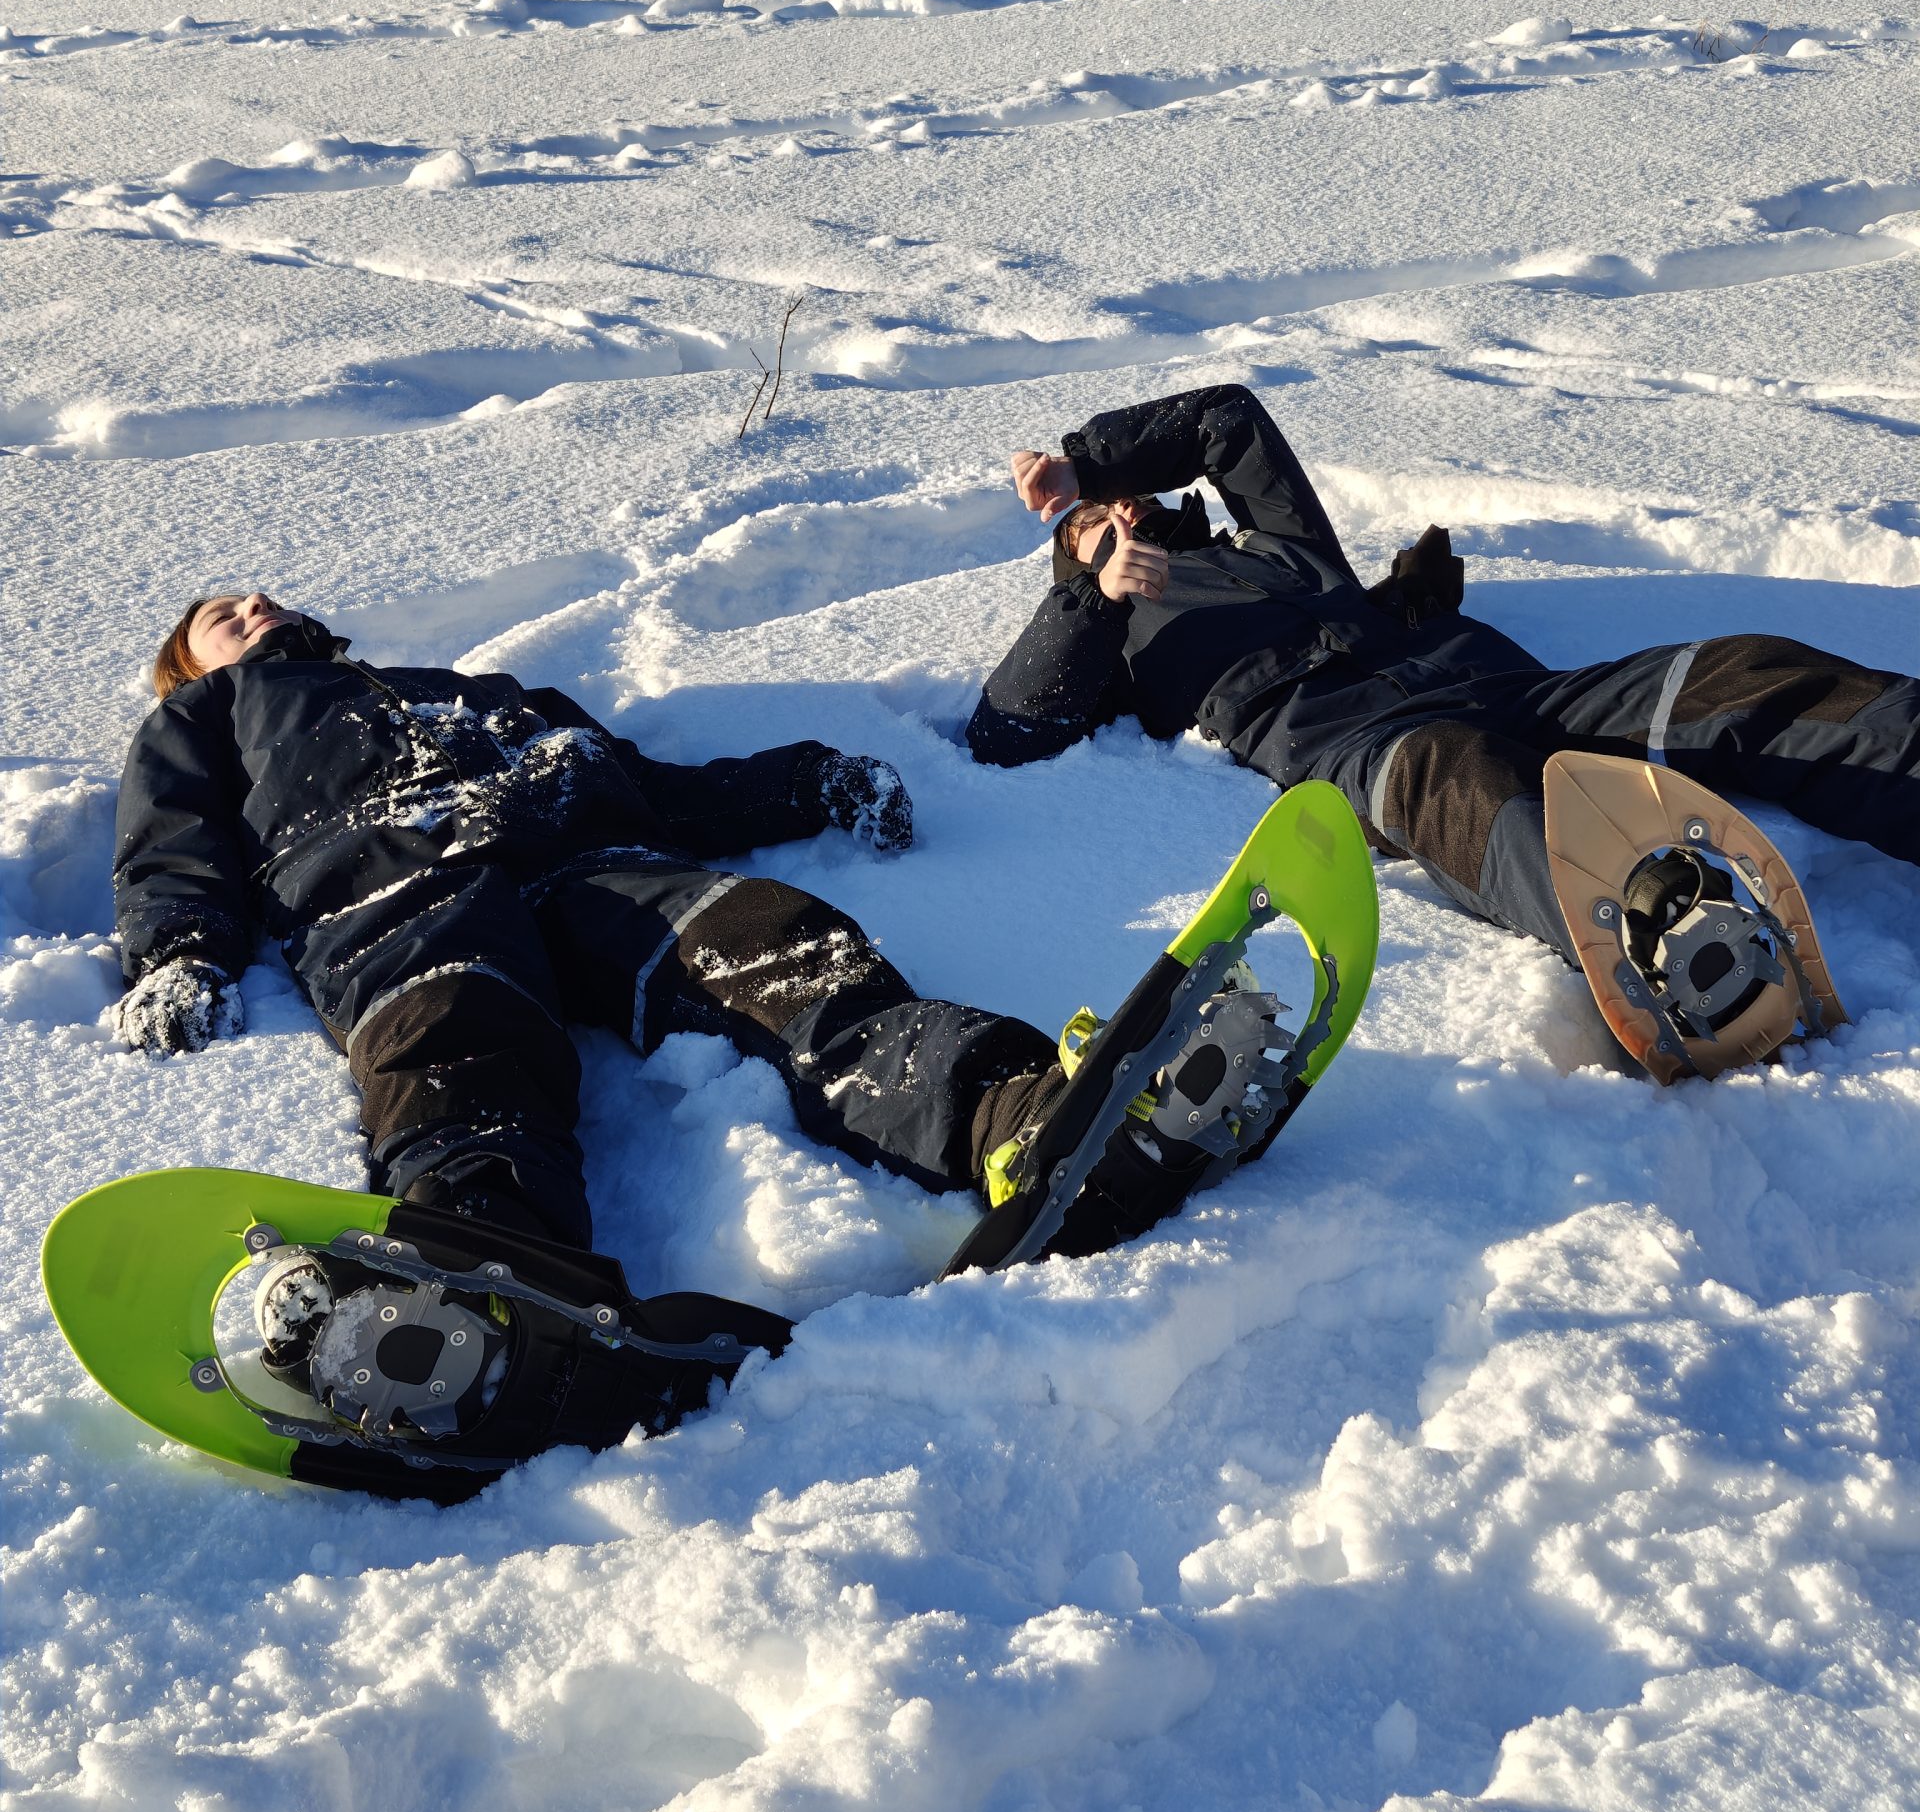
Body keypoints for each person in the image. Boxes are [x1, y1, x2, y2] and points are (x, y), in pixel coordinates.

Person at [114, 592, 1203, 1271]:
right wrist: (178, 951)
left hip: (591, 858)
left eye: (261, 598)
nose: (252, 608)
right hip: (397, 879)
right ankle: (486, 1244)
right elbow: (171, 842)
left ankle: (1020, 1115)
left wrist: (807, 780)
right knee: (456, 1016)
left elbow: (650, 785)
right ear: (187, 663)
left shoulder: (468, 690)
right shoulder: (207, 717)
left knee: (774, 945)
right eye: (222, 615)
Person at [969, 382, 1920, 995]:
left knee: (1748, 668)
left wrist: (1086, 465)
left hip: (1516, 691)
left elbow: (1229, 420)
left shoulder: (1283, 550)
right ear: (1069, 561)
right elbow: (1007, 730)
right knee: (1463, 780)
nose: (1120, 521)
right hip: (1376, 753)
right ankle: (1662, 938)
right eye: (1092, 526)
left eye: (1127, 506)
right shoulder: (1119, 644)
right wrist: (1092, 601)